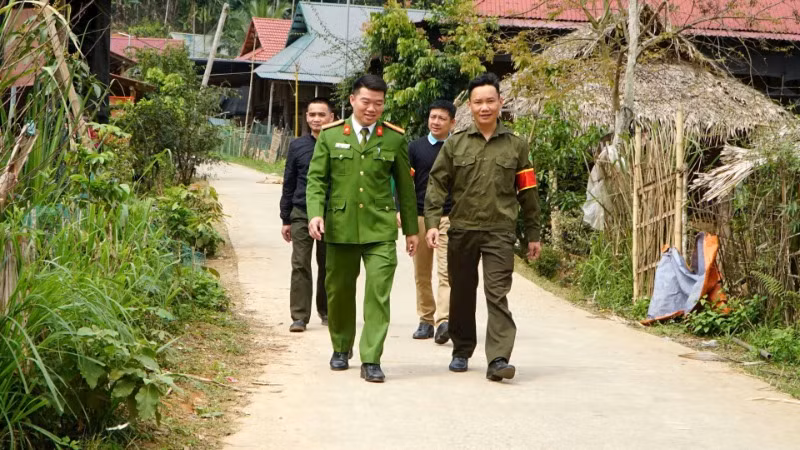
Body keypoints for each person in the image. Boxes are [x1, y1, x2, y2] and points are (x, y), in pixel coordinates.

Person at [424, 72, 541, 382]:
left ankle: (499, 358)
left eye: (490, 100)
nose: (485, 107)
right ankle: (461, 349)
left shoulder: (517, 146)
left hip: (500, 231)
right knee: (462, 292)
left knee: (497, 293)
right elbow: (437, 184)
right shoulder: (456, 144)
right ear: (470, 107)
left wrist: (533, 234)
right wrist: (433, 222)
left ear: (500, 102)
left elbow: (528, 192)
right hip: (462, 229)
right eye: (478, 102)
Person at [306, 74, 419, 383]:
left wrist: (411, 230)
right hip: (340, 228)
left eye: (378, 104)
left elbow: (406, 190)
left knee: (378, 293)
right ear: (353, 100)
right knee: (339, 291)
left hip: (380, 228)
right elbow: (316, 180)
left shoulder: (394, 139)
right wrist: (315, 214)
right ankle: (341, 347)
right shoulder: (330, 136)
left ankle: (371, 358)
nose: (371, 109)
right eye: (366, 102)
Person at [279, 97, 336, 332]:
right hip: (301, 212)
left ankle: (327, 311)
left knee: (329, 265)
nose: (316, 119)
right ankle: (299, 316)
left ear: (331, 117)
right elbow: (289, 181)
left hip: (330, 214)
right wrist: (285, 218)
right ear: (306, 117)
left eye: (321, 114)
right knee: (300, 263)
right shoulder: (297, 146)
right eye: (312, 114)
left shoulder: (339, 144)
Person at [408, 100, 456, 344]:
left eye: (442, 118)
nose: (436, 122)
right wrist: (401, 211)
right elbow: (405, 184)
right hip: (420, 217)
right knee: (422, 272)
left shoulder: (457, 148)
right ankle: (425, 319)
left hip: (449, 218)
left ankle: (443, 321)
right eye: (433, 117)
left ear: (452, 123)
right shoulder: (415, 148)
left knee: (446, 272)